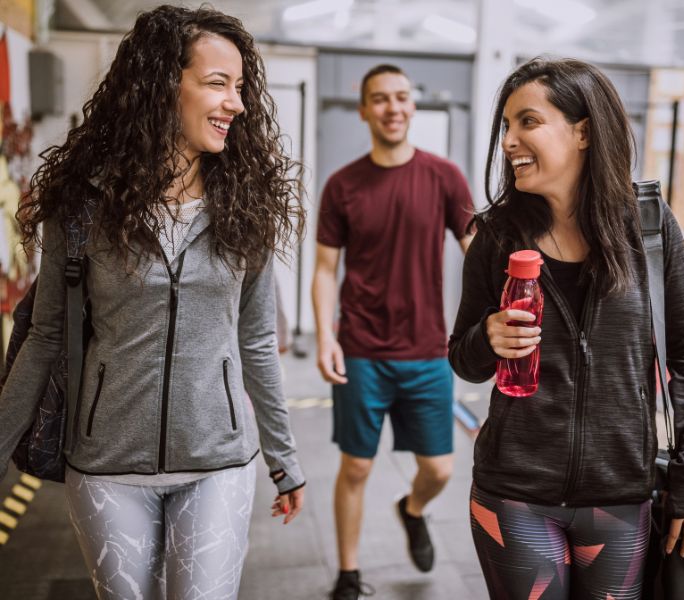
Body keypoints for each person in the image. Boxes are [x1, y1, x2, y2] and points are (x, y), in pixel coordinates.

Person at [0, 6, 305, 598]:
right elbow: (44, 335)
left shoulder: (246, 206)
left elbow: (257, 338)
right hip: (106, 464)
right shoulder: (85, 203)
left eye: (240, 88)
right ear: (163, 86)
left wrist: (284, 458)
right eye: (218, 84)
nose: (236, 103)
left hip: (219, 461)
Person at [448, 57, 684, 600]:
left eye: (527, 122)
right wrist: (487, 338)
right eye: (505, 125)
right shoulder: (496, 233)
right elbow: (463, 357)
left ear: (584, 131)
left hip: (619, 494)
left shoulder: (649, 225)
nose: (508, 141)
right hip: (514, 493)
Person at [312, 64, 475, 599]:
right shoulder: (343, 186)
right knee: (355, 465)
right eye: (379, 99)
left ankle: (412, 508)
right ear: (363, 110)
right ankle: (349, 574)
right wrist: (324, 336)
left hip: (428, 349)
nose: (392, 108)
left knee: (440, 469)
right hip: (361, 348)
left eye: (401, 97)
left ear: (413, 104)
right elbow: (324, 270)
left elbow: (476, 251)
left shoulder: (445, 176)